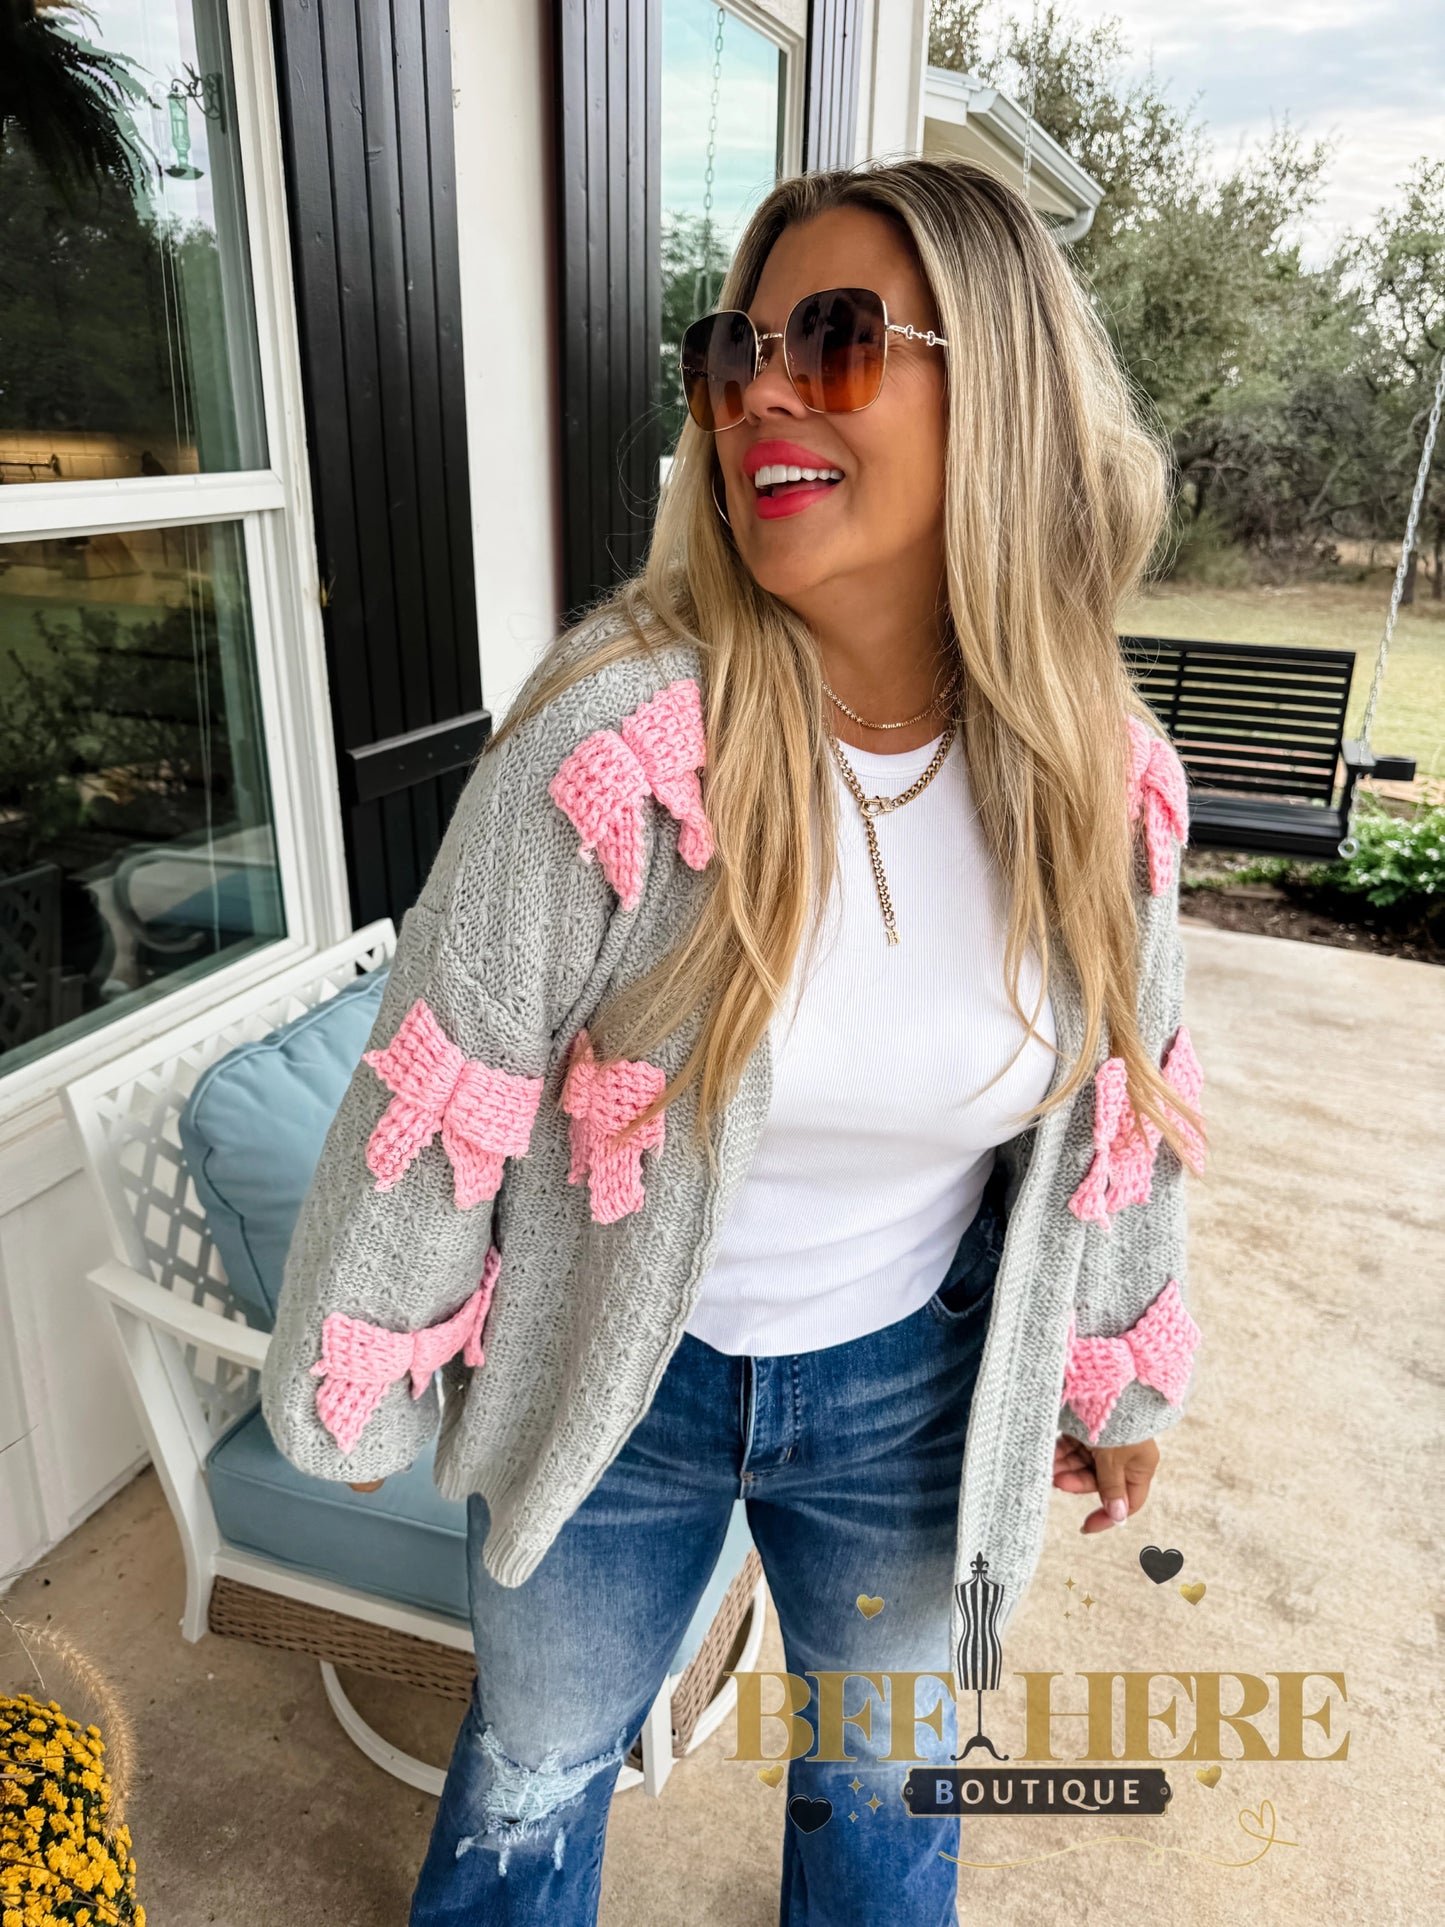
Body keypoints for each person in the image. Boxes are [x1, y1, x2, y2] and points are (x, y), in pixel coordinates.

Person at [260, 155, 1207, 1925]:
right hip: (615, 1371)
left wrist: (1109, 1373)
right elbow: (447, 1076)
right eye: (731, 353)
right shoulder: (615, 749)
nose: (760, 392)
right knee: (536, 1764)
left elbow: (1124, 1114)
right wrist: (363, 1366)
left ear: (997, 387)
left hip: (917, 1384)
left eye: (833, 340)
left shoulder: (1098, 778)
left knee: (888, 1786)